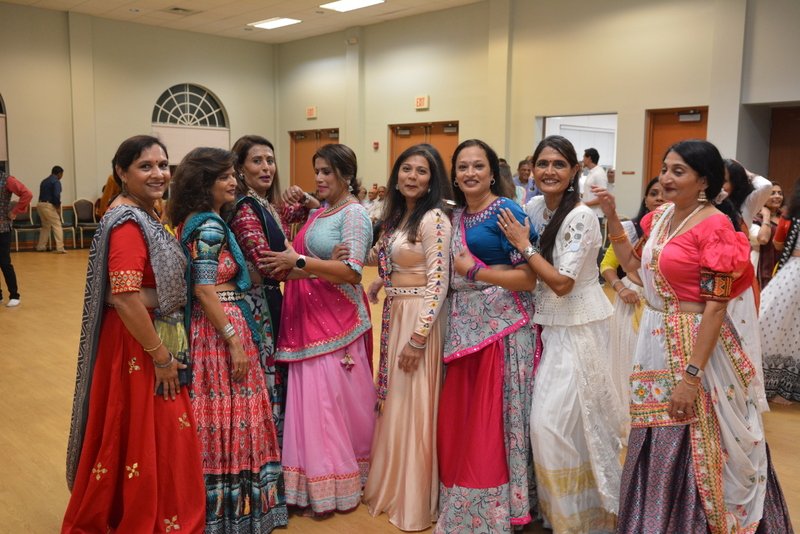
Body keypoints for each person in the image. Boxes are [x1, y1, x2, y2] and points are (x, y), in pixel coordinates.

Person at [596, 139, 792, 533]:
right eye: (665, 169)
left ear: (703, 181)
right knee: (653, 429)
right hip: (654, 340)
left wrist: (691, 377)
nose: (666, 178)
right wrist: (613, 217)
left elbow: (716, 307)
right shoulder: (662, 218)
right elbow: (634, 268)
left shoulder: (715, 227)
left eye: (678, 171)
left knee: (695, 433)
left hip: (697, 344)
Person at [63, 135, 204, 532]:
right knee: (151, 427)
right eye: (146, 166)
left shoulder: (145, 212)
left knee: (156, 430)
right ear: (122, 173)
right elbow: (125, 298)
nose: (159, 174)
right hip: (139, 343)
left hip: (147, 334)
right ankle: (146, 515)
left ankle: (151, 509)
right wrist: (161, 356)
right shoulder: (127, 222)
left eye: (163, 165)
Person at [498, 135, 626, 533]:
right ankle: (558, 515)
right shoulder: (534, 207)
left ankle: (584, 519)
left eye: (559, 164)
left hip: (578, 328)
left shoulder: (580, 217)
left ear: (574, 171)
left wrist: (524, 246)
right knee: (557, 428)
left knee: (553, 426)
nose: (549, 171)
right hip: (543, 326)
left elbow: (562, 283)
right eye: (543, 163)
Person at [170, 147, 288, 533]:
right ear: (204, 183)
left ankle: (216, 511)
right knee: (234, 416)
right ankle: (231, 514)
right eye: (223, 177)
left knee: (217, 416)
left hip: (211, 327)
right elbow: (205, 289)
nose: (233, 182)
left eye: (232, 174)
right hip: (219, 329)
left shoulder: (193, 221)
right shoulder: (210, 226)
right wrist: (235, 342)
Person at [262, 143, 376, 515]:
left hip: (337, 323)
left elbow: (352, 271)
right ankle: (310, 485)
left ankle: (340, 484)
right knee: (311, 405)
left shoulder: (354, 214)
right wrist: (291, 267)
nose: (320, 178)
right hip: (307, 319)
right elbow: (312, 265)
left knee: (332, 407)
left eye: (327, 171)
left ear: (346, 175)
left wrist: (299, 261)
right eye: (317, 171)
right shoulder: (323, 211)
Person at [436, 139, 537, 533]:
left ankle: (497, 510)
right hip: (463, 327)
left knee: (492, 420)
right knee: (463, 419)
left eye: (478, 166)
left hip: (502, 329)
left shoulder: (507, 211)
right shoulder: (455, 214)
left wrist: (476, 272)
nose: (470, 173)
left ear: (493, 172)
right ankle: (462, 499)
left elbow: (528, 278)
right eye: (463, 167)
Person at [362, 144, 453, 531]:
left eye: (421, 171)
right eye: (406, 169)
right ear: (396, 176)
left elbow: (438, 281)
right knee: (398, 399)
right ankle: (395, 481)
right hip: (398, 311)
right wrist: (382, 278)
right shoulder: (400, 216)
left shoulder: (434, 218)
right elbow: (389, 256)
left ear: (432, 180)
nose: (412, 177)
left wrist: (419, 338)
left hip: (419, 319)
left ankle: (415, 497)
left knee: (415, 401)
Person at [227, 134, 318, 444]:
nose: (267, 167)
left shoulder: (263, 203)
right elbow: (268, 265)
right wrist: (323, 270)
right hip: (256, 306)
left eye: (270, 160)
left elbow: (307, 211)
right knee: (266, 377)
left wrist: (304, 197)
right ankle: (268, 447)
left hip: (270, 298)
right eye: (257, 161)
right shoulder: (244, 209)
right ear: (240, 169)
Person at [600, 177, 665, 407]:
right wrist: (621, 288)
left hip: (663, 303)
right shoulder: (629, 230)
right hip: (632, 300)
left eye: (665, 193)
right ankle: (628, 413)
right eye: (654, 193)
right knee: (630, 356)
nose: (659, 198)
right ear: (645, 200)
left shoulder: (678, 231)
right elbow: (607, 266)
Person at [760, 177, 800, 404]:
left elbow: (778, 243)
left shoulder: (790, 216)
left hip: (792, 272)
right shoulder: (789, 216)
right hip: (793, 273)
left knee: (774, 319)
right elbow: (776, 243)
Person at [0, 169, 33, 307]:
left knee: (4, 262)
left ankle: (14, 295)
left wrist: (14, 211)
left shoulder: (7, 180)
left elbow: (27, 194)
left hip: (2, 228)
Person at [750, 182, 784, 287]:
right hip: (760, 266)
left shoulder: (785, 217)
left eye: (780, 193)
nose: (777, 196)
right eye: (772, 193)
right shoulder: (754, 218)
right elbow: (763, 239)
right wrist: (766, 216)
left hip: (782, 265)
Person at [36, 165, 67, 253]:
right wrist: (57, 206)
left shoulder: (44, 181)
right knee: (57, 224)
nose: (62, 176)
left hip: (40, 204)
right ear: (59, 173)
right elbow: (56, 195)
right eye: (62, 174)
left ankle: (41, 246)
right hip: (48, 205)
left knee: (45, 226)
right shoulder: (56, 182)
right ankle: (60, 248)